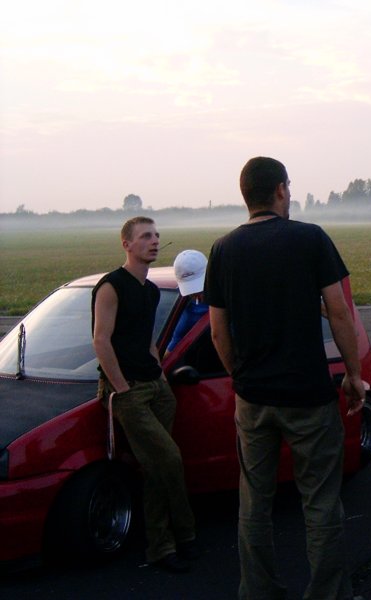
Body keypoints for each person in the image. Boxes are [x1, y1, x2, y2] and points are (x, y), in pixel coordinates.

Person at [205, 157, 365, 600]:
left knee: (254, 503)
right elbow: (339, 312)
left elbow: (218, 330)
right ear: (279, 190)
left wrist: (240, 376)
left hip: (253, 399)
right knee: (320, 502)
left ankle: (258, 591)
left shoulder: (223, 248)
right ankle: (328, 593)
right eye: (288, 187)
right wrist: (354, 375)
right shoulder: (310, 238)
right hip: (308, 396)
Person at [91, 216, 198, 573]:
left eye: (156, 236)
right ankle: (185, 534)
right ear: (126, 244)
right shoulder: (111, 286)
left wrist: (161, 376)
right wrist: (121, 388)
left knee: (155, 468)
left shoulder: (150, 291)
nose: (154, 241)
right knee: (169, 458)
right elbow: (101, 340)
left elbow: (147, 339)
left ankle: (161, 547)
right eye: (145, 236)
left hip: (156, 387)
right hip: (129, 391)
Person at [166, 249, 209, 355]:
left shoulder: (232, 296)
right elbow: (173, 346)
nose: (197, 295)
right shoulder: (187, 310)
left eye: (201, 288)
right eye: (191, 291)